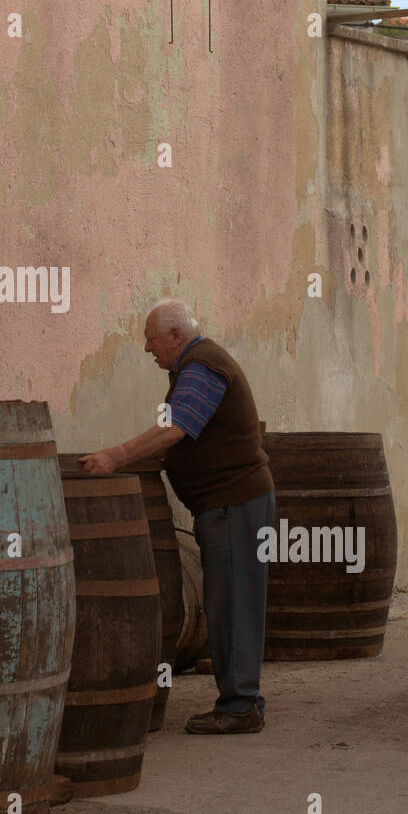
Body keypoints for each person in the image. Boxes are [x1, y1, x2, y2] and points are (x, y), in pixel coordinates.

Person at [80, 298, 275, 734]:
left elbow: (175, 427)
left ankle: (240, 707)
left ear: (175, 335)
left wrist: (117, 456)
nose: (147, 348)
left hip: (233, 503)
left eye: (151, 338)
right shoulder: (194, 366)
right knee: (231, 600)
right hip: (230, 504)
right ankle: (244, 701)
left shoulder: (201, 365)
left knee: (233, 603)